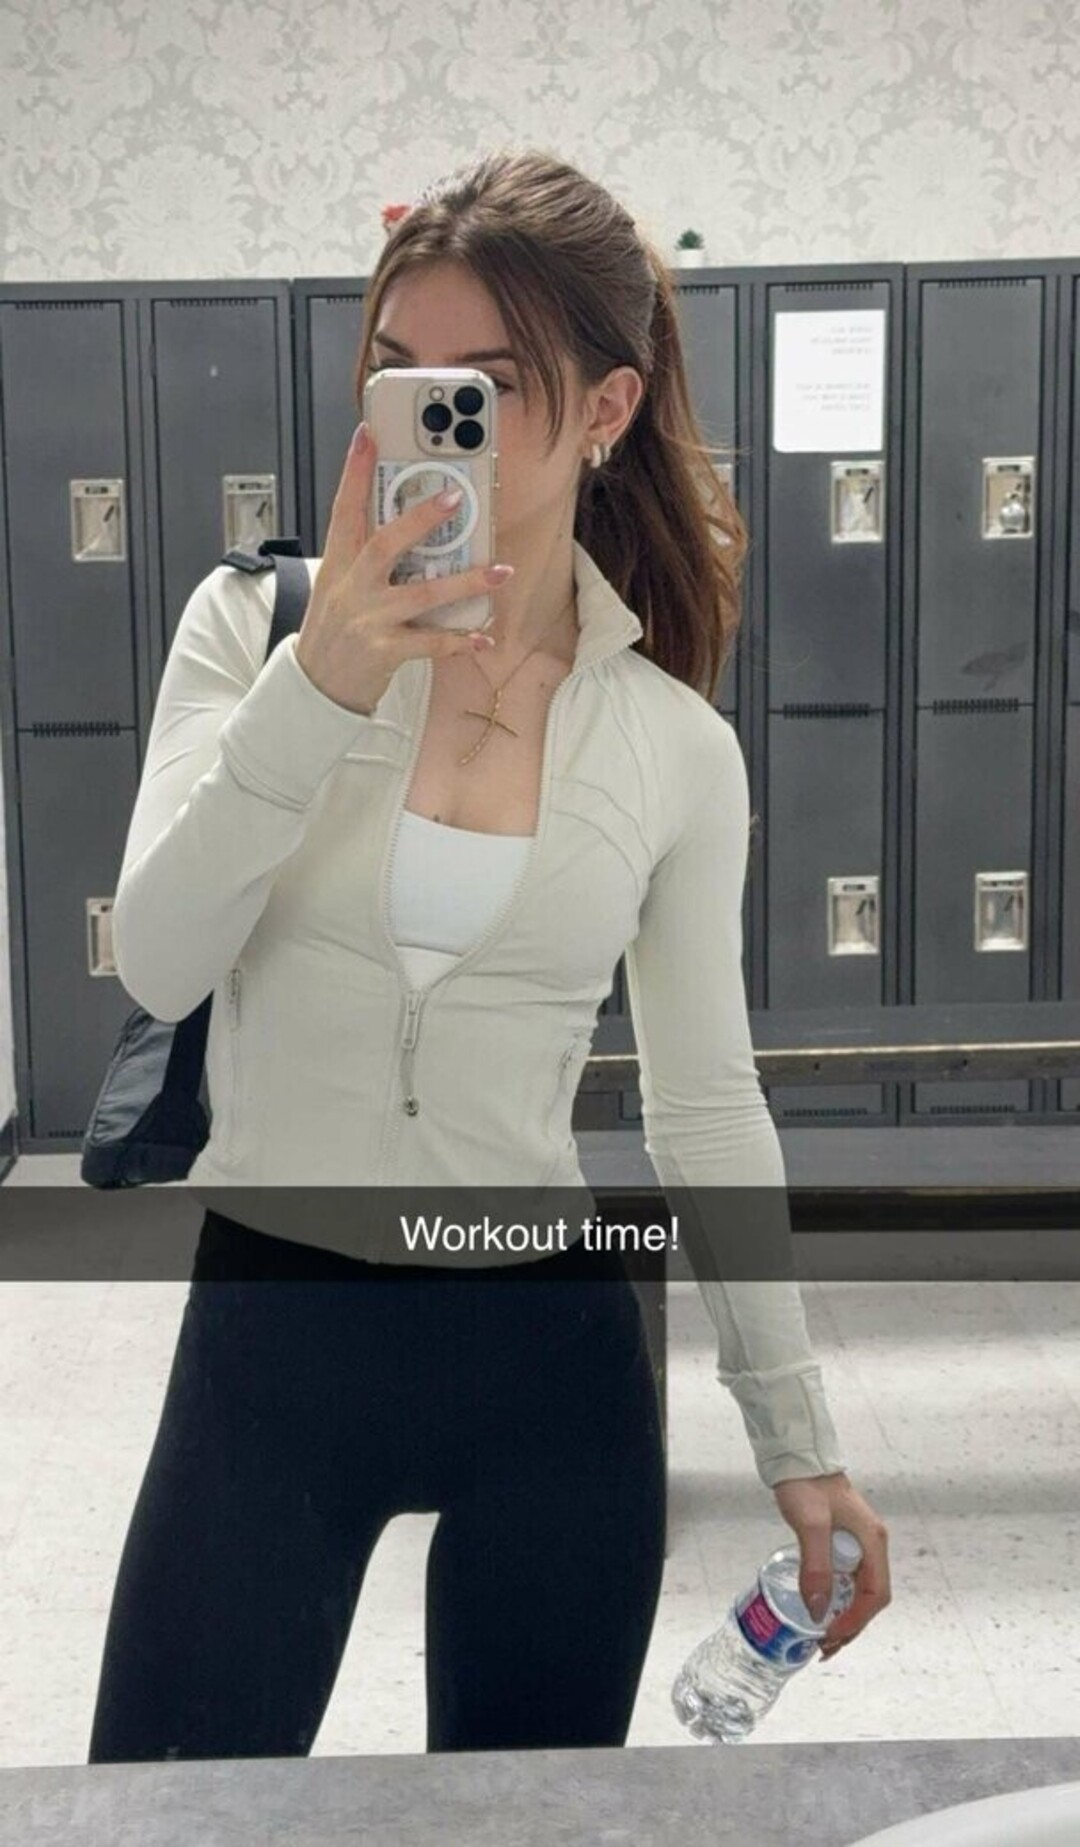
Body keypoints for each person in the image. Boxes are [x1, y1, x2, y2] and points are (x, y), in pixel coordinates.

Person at [87, 148, 890, 1763]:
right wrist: (321, 685)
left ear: (606, 411)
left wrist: (795, 1433)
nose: (426, 414)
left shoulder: (672, 748)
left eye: (489, 384)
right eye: (398, 371)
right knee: (162, 1811)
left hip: (548, 1364)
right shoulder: (252, 634)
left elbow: (708, 1106)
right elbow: (161, 963)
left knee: (531, 1824)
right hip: (272, 1339)